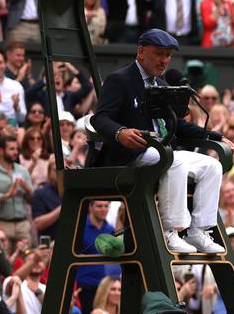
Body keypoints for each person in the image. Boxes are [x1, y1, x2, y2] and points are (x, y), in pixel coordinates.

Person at [89, 30, 226, 255]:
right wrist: (120, 132)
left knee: (212, 166)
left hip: (160, 151)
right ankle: (170, 230)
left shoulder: (161, 83)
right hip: (131, 155)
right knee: (173, 160)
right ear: (141, 52)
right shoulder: (120, 79)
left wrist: (214, 136)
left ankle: (199, 231)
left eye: (168, 55)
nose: (164, 60)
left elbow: (176, 124)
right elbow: (100, 118)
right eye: (159, 54)